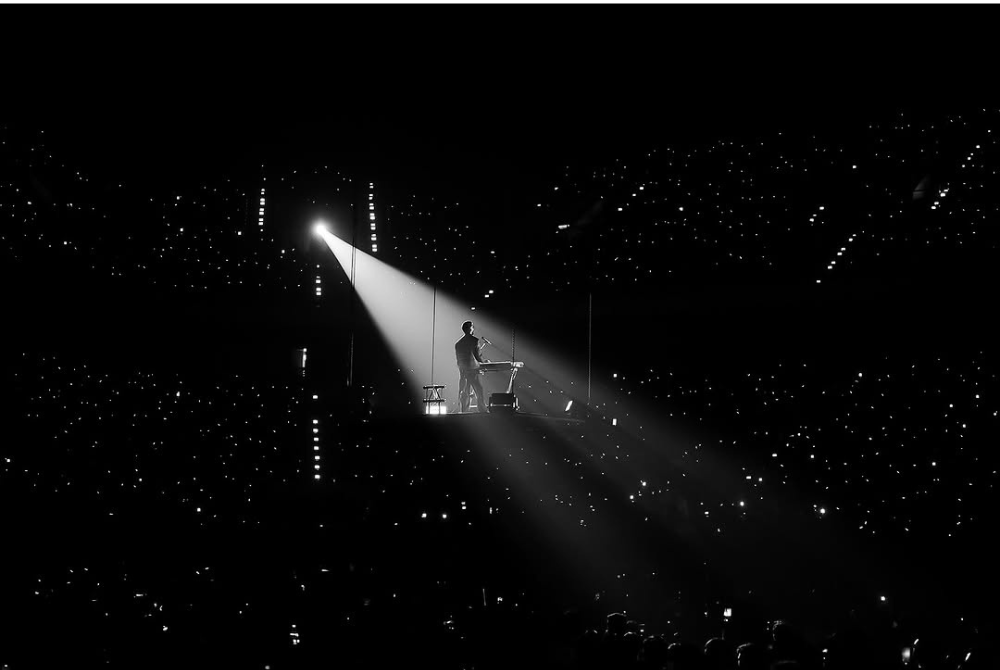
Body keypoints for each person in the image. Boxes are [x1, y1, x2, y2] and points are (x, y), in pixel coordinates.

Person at [455, 320, 488, 413]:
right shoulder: (474, 341)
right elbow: (477, 357)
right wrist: (485, 363)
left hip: (463, 370)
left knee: (465, 391)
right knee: (479, 390)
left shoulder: (458, 343)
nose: (474, 329)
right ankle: (482, 410)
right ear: (470, 329)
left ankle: (464, 411)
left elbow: (459, 360)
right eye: (472, 327)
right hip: (472, 370)